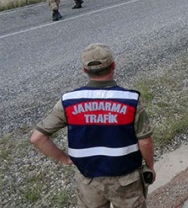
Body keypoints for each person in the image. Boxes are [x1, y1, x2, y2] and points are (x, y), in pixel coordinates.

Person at [30, 43, 155, 207]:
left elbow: (38, 138)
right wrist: (150, 166)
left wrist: (65, 159)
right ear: (114, 66)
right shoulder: (131, 101)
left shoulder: (68, 101)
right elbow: (145, 142)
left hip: (88, 180)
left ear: (84, 71)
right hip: (126, 180)